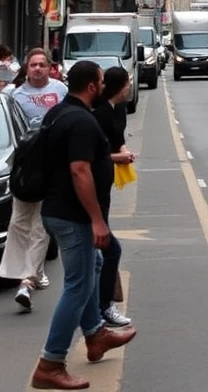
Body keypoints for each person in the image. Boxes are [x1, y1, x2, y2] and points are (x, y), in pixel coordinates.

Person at [30, 60, 136, 390]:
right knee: (77, 286)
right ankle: (51, 362)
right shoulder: (81, 121)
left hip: (59, 209)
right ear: (91, 86)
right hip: (73, 215)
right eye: (102, 81)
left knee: (96, 265)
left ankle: (95, 336)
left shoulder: (60, 113)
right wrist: (96, 220)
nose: (104, 86)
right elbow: (79, 170)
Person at [0, 48, 68, 312]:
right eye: (33, 65)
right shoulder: (12, 96)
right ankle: (30, 274)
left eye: (42, 65)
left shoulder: (60, 91)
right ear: (26, 69)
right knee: (19, 224)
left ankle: (28, 279)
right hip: (24, 169)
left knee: (41, 226)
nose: (37, 69)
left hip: (51, 167)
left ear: (50, 68)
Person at [92, 66, 136, 328]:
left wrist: (123, 149)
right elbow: (90, 156)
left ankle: (99, 309)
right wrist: (116, 157)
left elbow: (117, 138)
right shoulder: (96, 114)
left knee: (101, 252)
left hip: (105, 184)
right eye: (127, 84)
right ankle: (102, 308)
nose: (130, 88)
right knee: (108, 250)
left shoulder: (118, 109)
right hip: (94, 187)